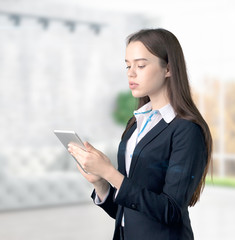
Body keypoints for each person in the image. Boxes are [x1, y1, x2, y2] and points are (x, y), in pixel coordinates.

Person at [68, 28, 212, 240]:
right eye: (128, 65)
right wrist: (101, 183)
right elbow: (127, 211)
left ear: (168, 68)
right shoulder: (135, 124)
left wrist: (110, 173)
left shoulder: (186, 130)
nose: (131, 72)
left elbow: (170, 211)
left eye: (141, 65)